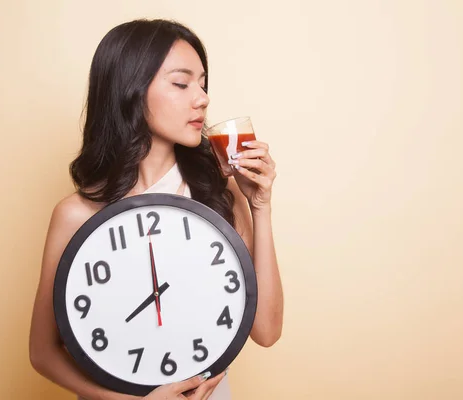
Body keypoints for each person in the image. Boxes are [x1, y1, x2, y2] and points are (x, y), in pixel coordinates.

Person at [28, 18, 284, 400]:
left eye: (202, 83)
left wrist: (259, 206)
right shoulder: (77, 215)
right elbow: (43, 352)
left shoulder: (217, 195)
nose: (202, 98)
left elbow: (265, 331)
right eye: (182, 83)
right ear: (130, 90)